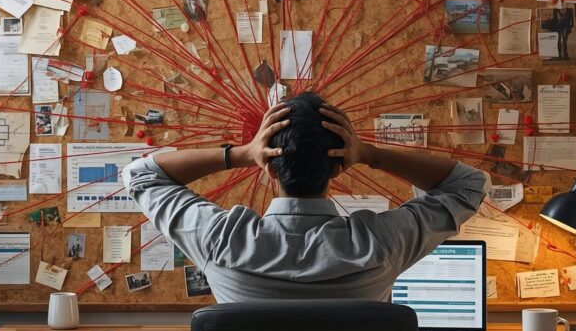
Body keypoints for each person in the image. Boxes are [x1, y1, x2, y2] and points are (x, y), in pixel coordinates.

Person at [125, 92, 487, 303]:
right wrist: (369, 153)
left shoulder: (221, 241)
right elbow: (468, 185)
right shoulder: (380, 244)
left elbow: (140, 174)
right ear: (339, 169)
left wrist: (240, 153)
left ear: (267, 167)